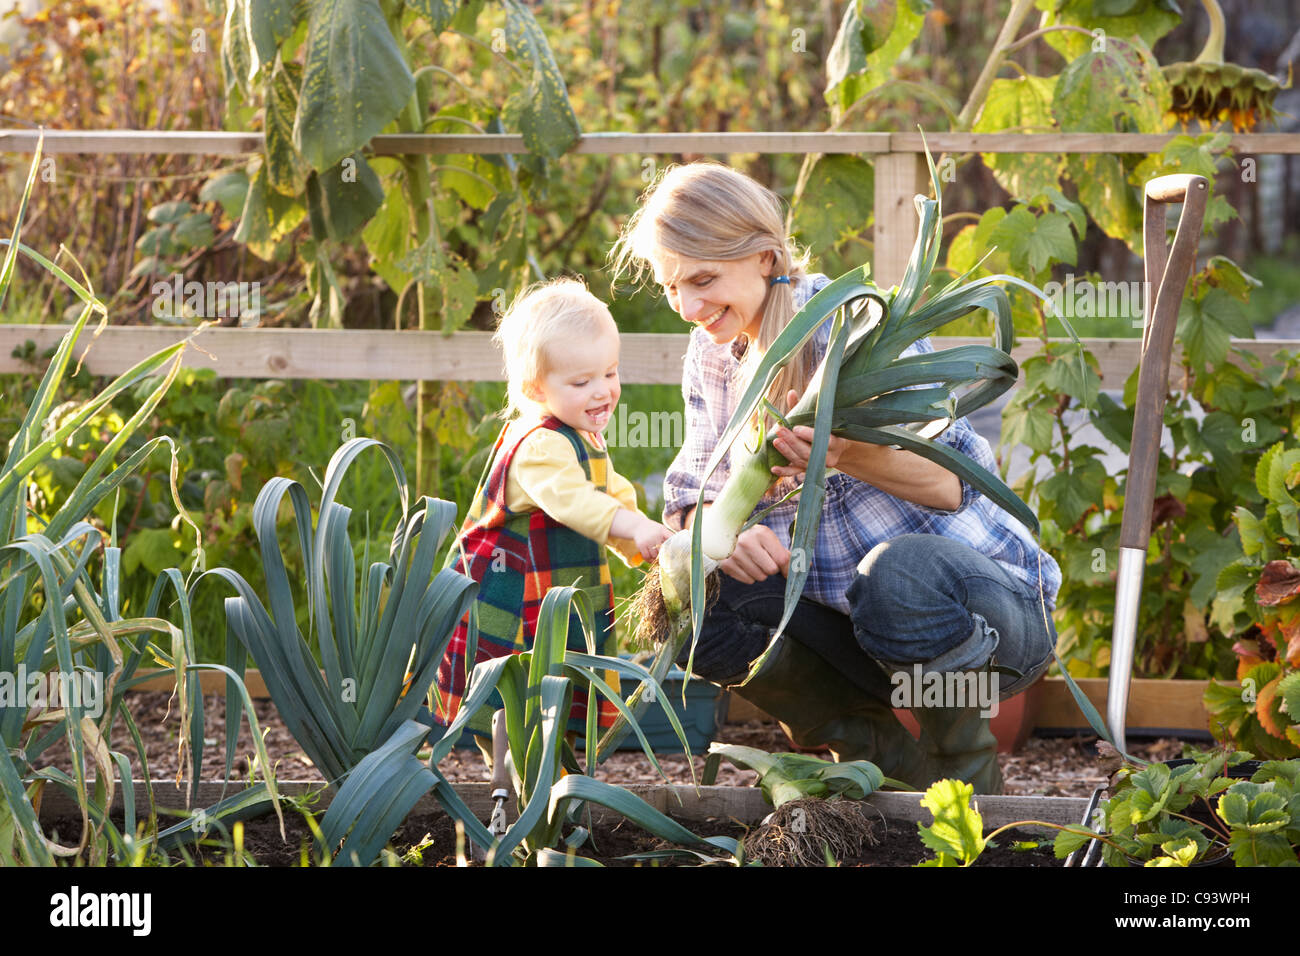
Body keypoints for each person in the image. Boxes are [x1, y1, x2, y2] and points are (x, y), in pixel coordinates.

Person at [609, 162, 1062, 793]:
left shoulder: (857, 327)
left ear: (766, 257)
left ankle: (969, 783)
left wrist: (843, 452)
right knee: (691, 593)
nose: (688, 308)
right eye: (671, 287)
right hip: (862, 638)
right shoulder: (714, 355)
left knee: (897, 573)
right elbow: (686, 504)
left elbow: (952, 486)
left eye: (704, 279)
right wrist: (721, 535)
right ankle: (886, 762)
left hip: (987, 622)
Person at [432, 277, 673, 743]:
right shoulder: (540, 444)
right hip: (510, 593)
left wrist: (644, 538)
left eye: (611, 372)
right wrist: (632, 528)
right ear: (535, 389)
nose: (603, 390)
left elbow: (613, 492)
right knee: (510, 692)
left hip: (556, 594)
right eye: (582, 381)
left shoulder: (581, 434)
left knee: (553, 690)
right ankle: (510, 784)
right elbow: (576, 502)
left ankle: (542, 779)